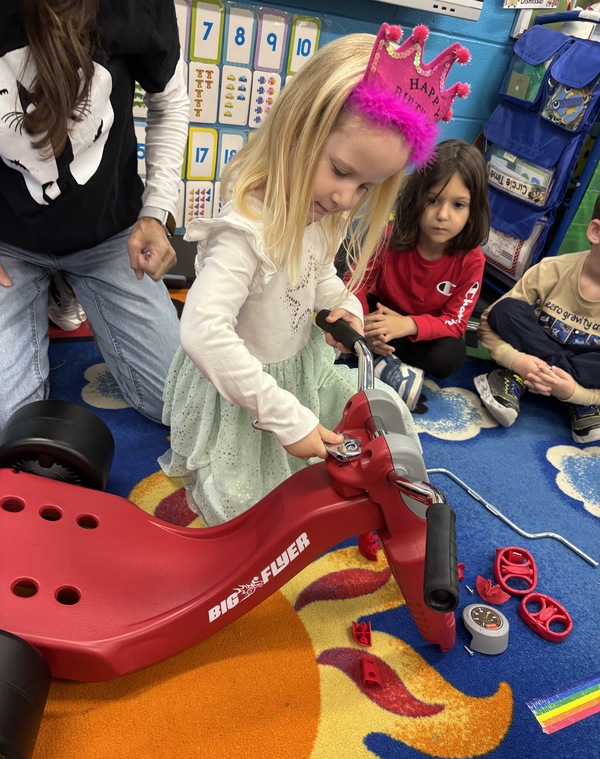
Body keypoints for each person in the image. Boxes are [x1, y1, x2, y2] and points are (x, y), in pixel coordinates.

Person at [159, 23, 471, 525]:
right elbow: (202, 329)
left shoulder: (321, 213)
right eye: (342, 172)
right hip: (247, 388)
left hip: (296, 368)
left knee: (379, 407)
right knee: (248, 507)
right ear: (298, 128)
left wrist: (344, 304)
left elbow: (318, 274)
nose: (346, 199)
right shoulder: (245, 230)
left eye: (366, 186)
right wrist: (284, 418)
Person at [0, 0, 189, 429]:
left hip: (106, 235)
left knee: (177, 402)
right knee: (8, 424)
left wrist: (156, 213)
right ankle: (51, 290)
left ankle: (65, 288)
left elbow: (170, 102)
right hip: (9, 242)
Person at [352, 139, 490, 411]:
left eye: (458, 205)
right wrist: (364, 322)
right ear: (417, 198)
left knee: (450, 356)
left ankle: (373, 358)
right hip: (378, 313)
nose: (443, 215)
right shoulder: (390, 234)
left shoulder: (473, 260)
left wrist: (408, 325)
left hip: (417, 329)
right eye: (433, 200)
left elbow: (455, 323)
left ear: (473, 211)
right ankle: (369, 351)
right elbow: (358, 281)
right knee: (338, 281)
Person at [474, 194, 600, 444]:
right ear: (596, 232)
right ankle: (520, 374)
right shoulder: (553, 269)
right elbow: (489, 321)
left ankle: (521, 380)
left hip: (584, 372)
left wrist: (576, 394)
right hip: (535, 352)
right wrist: (519, 361)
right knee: (506, 309)